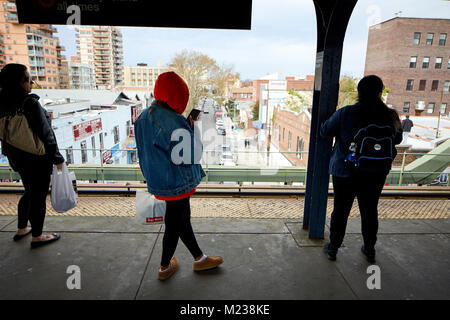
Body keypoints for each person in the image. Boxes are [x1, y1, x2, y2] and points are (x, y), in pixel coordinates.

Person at [135, 71, 223, 281]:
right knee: (175, 224)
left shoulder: (143, 116)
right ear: (177, 96)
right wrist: (191, 128)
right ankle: (165, 266)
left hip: (158, 179)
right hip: (176, 180)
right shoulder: (174, 121)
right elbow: (191, 155)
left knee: (182, 220)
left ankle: (199, 258)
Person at [320, 75, 402, 263]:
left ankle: (333, 248)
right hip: (376, 172)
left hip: (345, 170)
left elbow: (324, 131)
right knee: (370, 210)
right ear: (380, 93)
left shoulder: (346, 113)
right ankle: (370, 249)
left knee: (341, 210)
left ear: (358, 92)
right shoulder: (390, 115)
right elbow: (396, 140)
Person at [0, 64, 64, 248]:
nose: (31, 83)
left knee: (29, 190)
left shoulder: (2, 103)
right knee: (38, 195)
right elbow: (46, 135)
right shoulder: (30, 103)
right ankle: (37, 236)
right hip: (37, 158)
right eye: (28, 79)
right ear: (20, 82)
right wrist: (57, 158)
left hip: (15, 156)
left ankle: (22, 228)